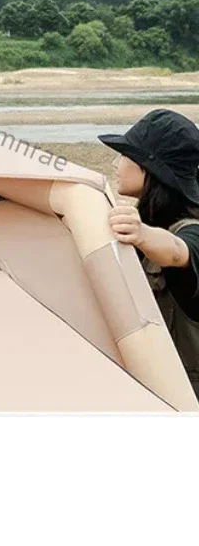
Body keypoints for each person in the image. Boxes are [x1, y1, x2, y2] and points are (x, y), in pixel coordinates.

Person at [98, 108, 199, 398]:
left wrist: (141, 234)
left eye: (125, 154)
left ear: (149, 167)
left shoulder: (190, 232)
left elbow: (178, 251)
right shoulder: (149, 221)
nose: (116, 163)